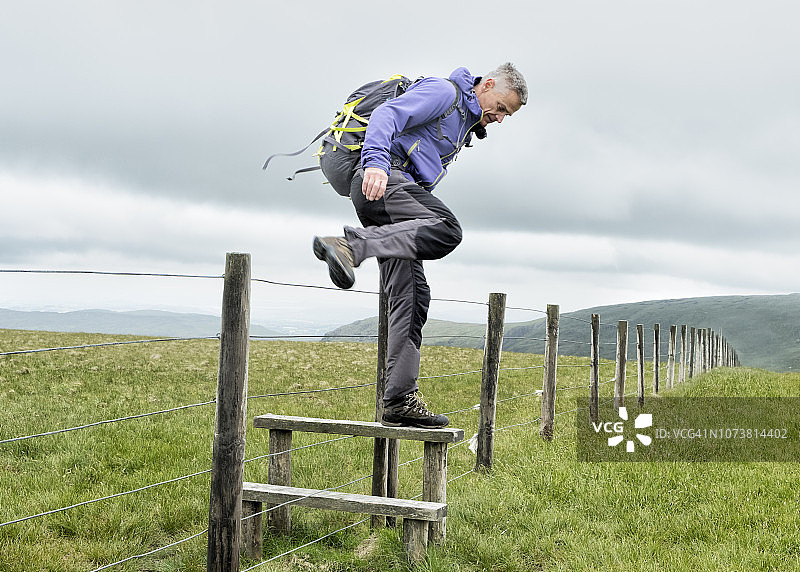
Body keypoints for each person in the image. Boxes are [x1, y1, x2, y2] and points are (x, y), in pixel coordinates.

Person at [313, 63, 527, 428]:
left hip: (392, 200)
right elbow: (387, 114)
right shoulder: (444, 93)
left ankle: (398, 400)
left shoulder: (464, 125)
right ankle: (350, 246)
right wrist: (377, 164)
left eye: (508, 115)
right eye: (502, 107)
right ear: (487, 85)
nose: (501, 118)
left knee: (412, 296)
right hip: (379, 180)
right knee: (446, 229)